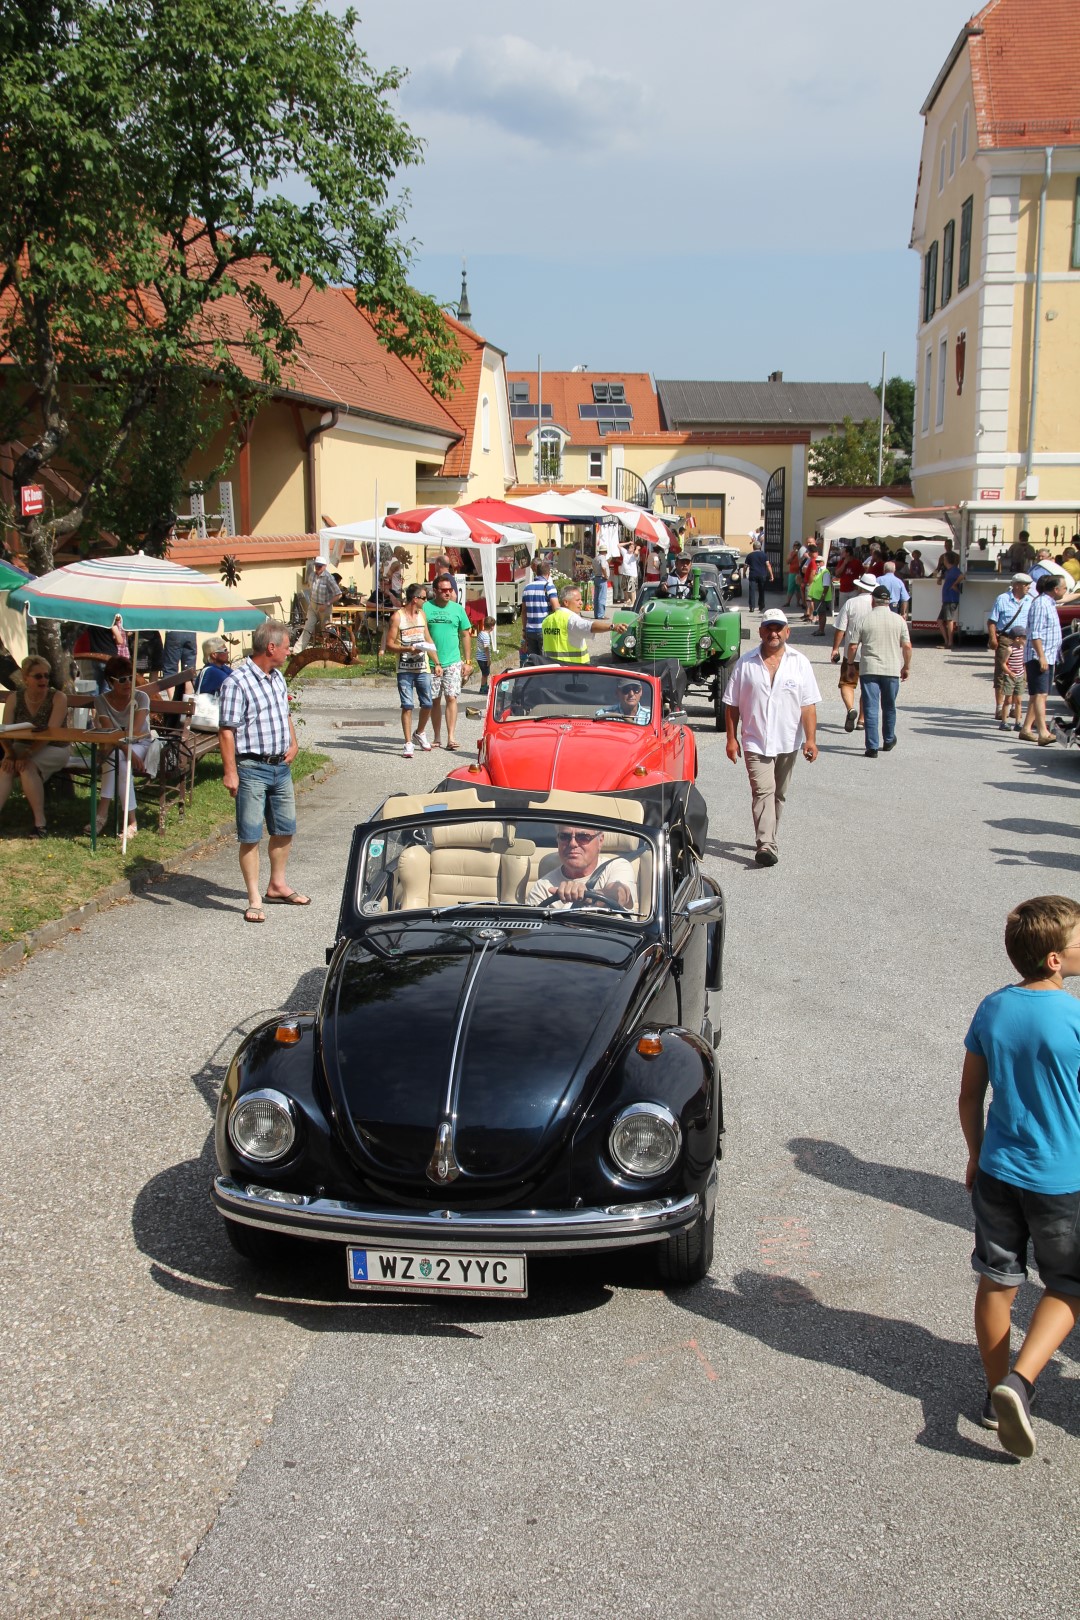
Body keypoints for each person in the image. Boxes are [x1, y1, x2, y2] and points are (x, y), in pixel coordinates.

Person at [958, 895, 1080, 1456]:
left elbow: (970, 1094)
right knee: (1068, 1286)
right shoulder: (1075, 1017)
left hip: (999, 1171)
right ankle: (1022, 1381)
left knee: (998, 1282)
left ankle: (991, 1394)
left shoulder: (993, 1008)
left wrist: (976, 1155)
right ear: (1055, 959)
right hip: (1063, 1179)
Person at [218, 619, 305, 923]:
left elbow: (284, 713)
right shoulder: (237, 682)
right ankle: (254, 897)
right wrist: (231, 772)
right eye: (286, 646)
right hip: (252, 767)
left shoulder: (277, 677)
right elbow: (226, 731)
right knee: (251, 834)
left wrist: (293, 744)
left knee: (285, 829)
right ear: (271, 647)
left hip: (280, 766)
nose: (289, 651)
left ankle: (277, 885)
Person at [723, 609, 820, 867]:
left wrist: (810, 739)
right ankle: (766, 843)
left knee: (779, 794)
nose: (773, 633)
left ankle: (770, 836)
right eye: (768, 628)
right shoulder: (745, 663)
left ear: (787, 632)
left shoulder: (800, 663)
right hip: (755, 739)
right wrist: (731, 739)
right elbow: (731, 705)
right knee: (763, 790)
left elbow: (808, 706)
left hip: (788, 740)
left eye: (778, 628)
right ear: (761, 631)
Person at [0, 656, 70, 837]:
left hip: (55, 748)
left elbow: (50, 734)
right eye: (38, 676)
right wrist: (8, 753)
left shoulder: (58, 697)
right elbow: (4, 731)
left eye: (46, 676)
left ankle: (40, 824)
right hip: (21, 746)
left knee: (27, 766)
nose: (44, 680)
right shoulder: (15, 698)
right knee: (6, 767)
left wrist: (27, 754)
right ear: (25, 678)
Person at [90, 656, 155, 840]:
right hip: (119, 748)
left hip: (140, 743)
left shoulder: (141, 698)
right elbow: (109, 731)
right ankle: (131, 821)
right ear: (110, 682)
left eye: (130, 678)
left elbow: (134, 732)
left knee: (115, 757)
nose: (128, 683)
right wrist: (127, 751)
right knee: (121, 761)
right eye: (122, 679)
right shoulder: (101, 700)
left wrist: (124, 746)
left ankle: (102, 814)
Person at [848, 585, 912, 757]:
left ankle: (872, 746)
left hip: (869, 668)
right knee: (889, 706)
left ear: (873, 600)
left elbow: (853, 646)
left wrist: (850, 664)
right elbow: (907, 646)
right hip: (891, 669)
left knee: (871, 707)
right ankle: (889, 739)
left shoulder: (864, 620)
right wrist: (906, 666)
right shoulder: (899, 620)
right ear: (888, 601)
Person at [526, 824, 638, 912]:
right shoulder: (543, 887)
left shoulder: (617, 866)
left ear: (600, 841)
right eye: (564, 836)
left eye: (583, 837)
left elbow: (620, 893)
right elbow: (532, 933)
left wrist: (589, 895)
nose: (572, 843)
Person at [385, 583, 437, 758]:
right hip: (405, 669)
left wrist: (436, 662)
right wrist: (407, 650)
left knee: (427, 703)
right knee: (407, 706)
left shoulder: (422, 615)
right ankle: (408, 742)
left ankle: (420, 732)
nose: (426, 600)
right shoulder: (397, 617)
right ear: (415, 599)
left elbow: (427, 637)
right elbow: (389, 644)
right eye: (424, 597)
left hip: (423, 667)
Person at [423, 573, 473, 749]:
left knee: (451, 697)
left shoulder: (458, 609)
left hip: (452, 661)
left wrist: (467, 661)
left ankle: (451, 737)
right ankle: (437, 737)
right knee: (434, 700)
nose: (447, 593)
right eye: (443, 590)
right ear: (435, 590)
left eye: (450, 590)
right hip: (431, 662)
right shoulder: (425, 608)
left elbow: (465, 634)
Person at [1020, 572, 1067, 744]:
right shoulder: (1041, 604)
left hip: (1048, 655)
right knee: (1040, 694)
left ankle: (1026, 728)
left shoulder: (1050, 602)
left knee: (1037, 695)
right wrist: (1041, 657)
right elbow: (1035, 634)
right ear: (1055, 589)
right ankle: (1043, 732)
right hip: (1039, 656)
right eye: (1064, 588)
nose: (1065, 590)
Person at [831, 573, 877, 734]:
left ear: (859, 586)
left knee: (847, 684)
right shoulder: (877, 604)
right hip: (871, 653)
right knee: (867, 687)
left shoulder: (851, 603)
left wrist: (835, 648)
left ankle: (851, 709)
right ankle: (862, 720)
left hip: (852, 652)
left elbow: (841, 629)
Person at [986, 574, 1033, 725]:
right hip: (1006, 638)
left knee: (1020, 672)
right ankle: (1000, 707)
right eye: (1026, 584)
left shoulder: (1029, 600)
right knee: (1002, 672)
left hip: (1023, 641)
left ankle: (1013, 706)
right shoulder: (1003, 599)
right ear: (1017, 585)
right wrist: (993, 638)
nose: (1029, 587)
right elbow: (992, 621)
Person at [540, 585, 612, 666]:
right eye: (577, 600)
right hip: (574, 670)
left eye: (581, 600)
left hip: (552, 670)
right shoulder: (571, 619)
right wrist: (612, 627)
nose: (581, 603)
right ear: (566, 602)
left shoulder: (547, 620)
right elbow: (590, 626)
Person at [295, 556, 342, 652]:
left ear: (324, 566)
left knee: (326, 630)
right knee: (307, 628)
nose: (318, 568)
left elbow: (339, 594)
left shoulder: (329, 578)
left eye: (320, 566)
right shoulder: (312, 575)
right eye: (316, 566)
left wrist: (326, 604)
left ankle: (328, 651)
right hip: (313, 606)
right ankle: (297, 651)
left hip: (325, 607)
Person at [519, 560, 560, 660]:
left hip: (530, 630)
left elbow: (523, 612)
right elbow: (557, 609)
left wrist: (524, 630)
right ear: (548, 573)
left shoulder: (527, 588)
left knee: (533, 660)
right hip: (544, 630)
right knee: (544, 661)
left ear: (536, 572)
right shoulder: (549, 586)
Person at [937, 551, 964, 649]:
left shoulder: (954, 570)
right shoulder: (949, 570)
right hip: (948, 598)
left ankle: (949, 642)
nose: (943, 561)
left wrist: (955, 584)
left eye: (944, 559)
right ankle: (947, 641)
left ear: (947, 560)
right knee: (941, 621)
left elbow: (962, 576)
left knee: (948, 620)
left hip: (951, 599)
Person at [805, 555, 833, 635]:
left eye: (819, 561)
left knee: (822, 613)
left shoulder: (825, 572)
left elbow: (826, 586)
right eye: (816, 561)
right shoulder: (819, 571)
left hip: (821, 596)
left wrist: (822, 596)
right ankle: (820, 629)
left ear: (823, 562)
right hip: (817, 596)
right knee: (820, 613)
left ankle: (821, 630)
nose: (817, 563)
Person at [745, 541, 773, 613]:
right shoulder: (764, 555)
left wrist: (744, 573)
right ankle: (761, 605)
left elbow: (745, 566)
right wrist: (771, 575)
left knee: (752, 591)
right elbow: (768, 565)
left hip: (753, 574)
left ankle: (752, 607)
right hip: (762, 574)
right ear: (760, 547)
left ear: (753, 547)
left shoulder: (750, 555)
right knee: (761, 590)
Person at [476, 615, 496, 694]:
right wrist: (488, 659)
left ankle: (485, 685)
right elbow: (486, 648)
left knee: (485, 673)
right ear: (491, 627)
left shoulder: (481, 633)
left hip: (479, 656)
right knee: (485, 674)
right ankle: (483, 688)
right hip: (484, 658)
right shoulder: (486, 636)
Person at [783, 544, 802, 609]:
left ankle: (798, 602)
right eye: (795, 546)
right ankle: (788, 602)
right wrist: (794, 555)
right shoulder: (791, 553)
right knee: (790, 587)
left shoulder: (801, 554)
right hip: (792, 573)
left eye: (797, 546)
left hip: (799, 573)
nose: (796, 547)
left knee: (798, 588)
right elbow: (787, 562)